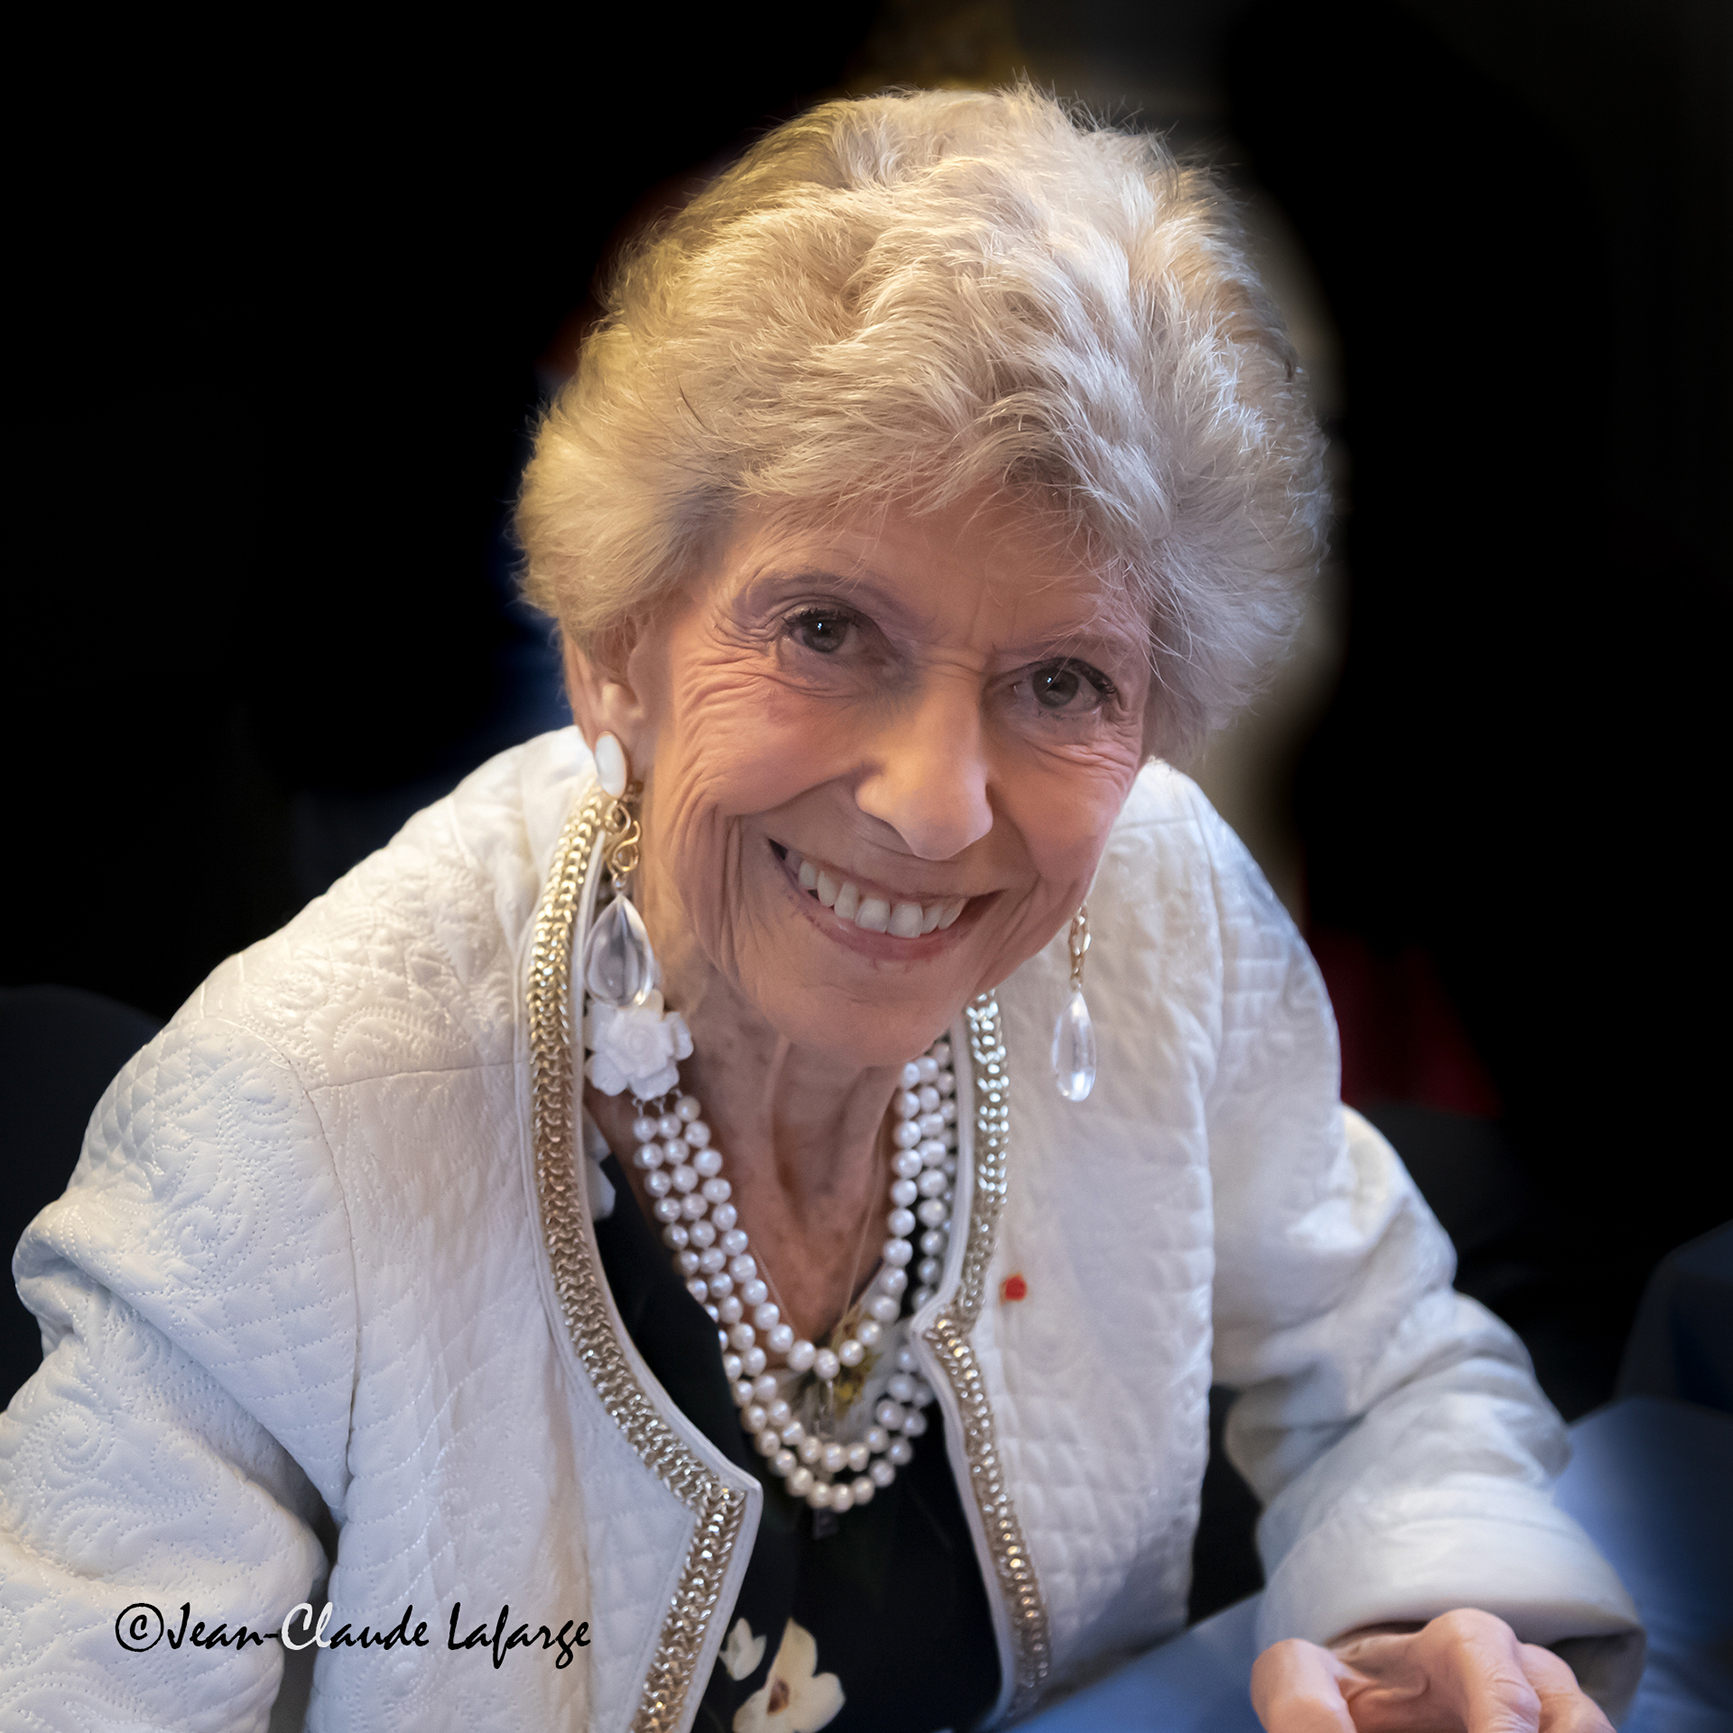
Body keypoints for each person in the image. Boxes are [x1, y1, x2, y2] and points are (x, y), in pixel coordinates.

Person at [1, 86, 1640, 1732]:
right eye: (827, 629)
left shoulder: (1151, 911)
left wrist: (1437, 1630)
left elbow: (1378, 1362)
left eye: (1062, 678)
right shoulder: (293, 1120)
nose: (937, 802)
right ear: (617, 640)